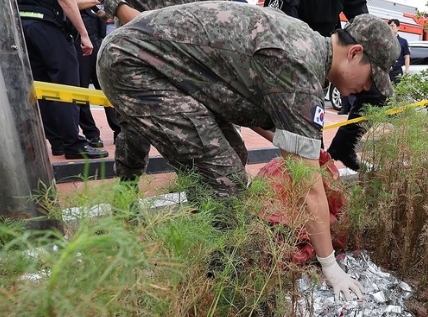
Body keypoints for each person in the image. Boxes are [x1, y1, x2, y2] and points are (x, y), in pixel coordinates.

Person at [97, 2, 400, 300]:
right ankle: (225, 284)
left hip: (160, 65)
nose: (367, 88)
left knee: (232, 156)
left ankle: (212, 250)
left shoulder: (306, 46)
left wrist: (299, 148)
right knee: (224, 180)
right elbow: (308, 187)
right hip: (134, 64)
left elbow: (252, 107)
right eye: (372, 77)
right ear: (355, 52)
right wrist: (330, 266)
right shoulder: (300, 68)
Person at [100, 0, 248, 185]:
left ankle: (202, 193)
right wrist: (125, 12)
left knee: (216, 134)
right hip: (138, 54)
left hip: (189, 57)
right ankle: (126, 192)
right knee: (135, 135)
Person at [263, 0, 391, 171]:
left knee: (378, 89)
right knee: (310, 142)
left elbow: (362, 17)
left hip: (331, 49)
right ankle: (313, 165)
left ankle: (343, 146)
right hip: (294, 56)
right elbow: (280, 22)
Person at [18, 0, 109, 159]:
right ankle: (73, 145)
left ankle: (58, 142)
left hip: (23, 25)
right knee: (66, 87)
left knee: (44, 89)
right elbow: (66, 1)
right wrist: (83, 33)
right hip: (49, 26)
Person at [74, 0, 121, 145]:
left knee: (108, 89)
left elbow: (106, 17)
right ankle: (91, 133)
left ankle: (119, 130)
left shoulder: (92, 6)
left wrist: (104, 11)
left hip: (97, 43)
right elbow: (73, 4)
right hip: (80, 46)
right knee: (81, 92)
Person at [387, 19, 410, 84]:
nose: (390, 28)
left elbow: (406, 56)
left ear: (398, 27)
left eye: (392, 26)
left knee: (397, 91)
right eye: (389, 26)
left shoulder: (403, 41)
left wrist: (407, 70)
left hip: (397, 70)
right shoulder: (385, 40)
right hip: (386, 70)